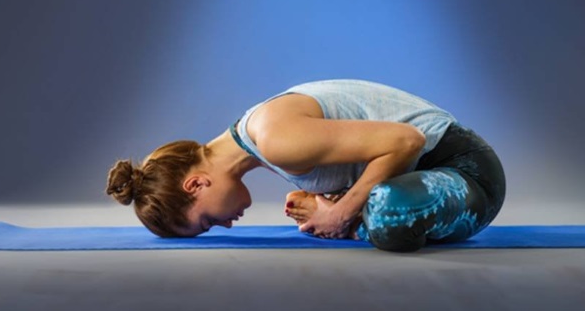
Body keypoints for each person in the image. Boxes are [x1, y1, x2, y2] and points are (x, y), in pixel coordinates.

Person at [106, 79, 506, 252]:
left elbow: (407, 141)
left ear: (196, 186)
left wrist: (340, 215)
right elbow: (369, 155)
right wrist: (326, 197)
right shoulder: (259, 139)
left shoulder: (275, 138)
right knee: (378, 202)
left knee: (386, 211)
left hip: (468, 175)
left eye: (208, 222)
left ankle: (354, 225)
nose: (226, 225)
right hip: (431, 176)